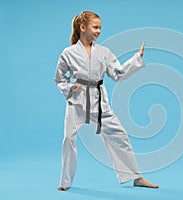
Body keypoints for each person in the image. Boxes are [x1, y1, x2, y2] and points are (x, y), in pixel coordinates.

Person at [54, 11, 158, 191]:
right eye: (95, 27)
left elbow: (117, 74)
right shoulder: (68, 53)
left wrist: (137, 58)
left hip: (98, 99)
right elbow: (59, 78)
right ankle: (65, 182)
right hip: (77, 102)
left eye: (100, 28)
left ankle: (136, 177)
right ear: (83, 27)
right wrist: (70, 87)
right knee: (69, 138)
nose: (98, 31)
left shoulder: (104, 52)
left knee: (119, 135)